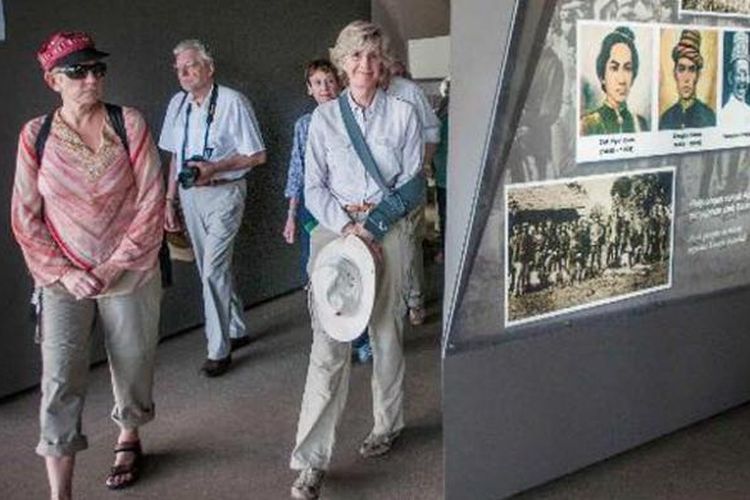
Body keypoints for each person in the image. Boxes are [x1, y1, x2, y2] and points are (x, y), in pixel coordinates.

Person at [11, 31, 165, 497]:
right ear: (52, 79)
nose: (91, 78)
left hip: (130, 268)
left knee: (133, 361)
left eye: (97, 69)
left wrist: (115, 264)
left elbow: (152, 198)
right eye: (77, 72)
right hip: (63, 279)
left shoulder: (128, 123)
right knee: (59, 377)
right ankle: (61, 492)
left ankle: (129, 435)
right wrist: (66, 273)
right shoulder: (36, 135)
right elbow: (24, 215)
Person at [289, 20, 423, 500]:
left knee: (386, 334)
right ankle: (310, 460)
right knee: (328, 345)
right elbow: (313, 188)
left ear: (382, 62)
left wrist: (375, 224)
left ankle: (387, 424)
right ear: (342, 63)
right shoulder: (323, 121)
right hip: (336, 235)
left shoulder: (403, 116)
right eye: (354, 57)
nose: (364, 65)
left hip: (387, 233)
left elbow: (413, 184)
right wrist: (347, 228)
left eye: (372, 56)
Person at [159, 39, 266, 377]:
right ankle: (236, 328)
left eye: (191, 66)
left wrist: (214, 168)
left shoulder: (233, 102)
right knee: (210, 267)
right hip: (190, 196)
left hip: (225, 192)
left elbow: (258, 155)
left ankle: (218, 349)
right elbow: (175, 156)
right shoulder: (178, 104)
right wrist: (169, 199)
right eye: (179, 69)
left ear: (209, 68)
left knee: (211, 271)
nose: (184, 73)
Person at [384, 60, 440, 325]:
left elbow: (432, 130)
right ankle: (392, 300)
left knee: (408, 242)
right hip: (375, 191)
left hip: (408, 182)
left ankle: (415, 299)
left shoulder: (408, 92)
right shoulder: (353, 94)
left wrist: (423, 165)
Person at [283, 59, 341, 277]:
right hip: (313, 204)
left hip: (345, 201)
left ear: (339, 84)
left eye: (329, 81)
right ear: (309, 89)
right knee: (315, 260)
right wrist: (291, 214)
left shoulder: (352, 119)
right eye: (317, 83)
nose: (324, 88)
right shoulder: (304, 125)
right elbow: (297, 170)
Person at [581, 26, 649, 136]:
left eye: (627, 68)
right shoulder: (587, 124)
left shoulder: (640, 124)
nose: (622, 80)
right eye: (614, 68)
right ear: (602, 76)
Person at [659, 29, 716, 130]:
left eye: (691, 70)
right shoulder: (665, 119)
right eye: (681, 69)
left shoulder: (709, 117)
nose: (686, 78)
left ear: (698, 75)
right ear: (675, 73)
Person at [719, 31, 750, 129]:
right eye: (739, 74)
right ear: (730, 78)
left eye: (746, 74)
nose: (742, 80)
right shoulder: (726, 114)